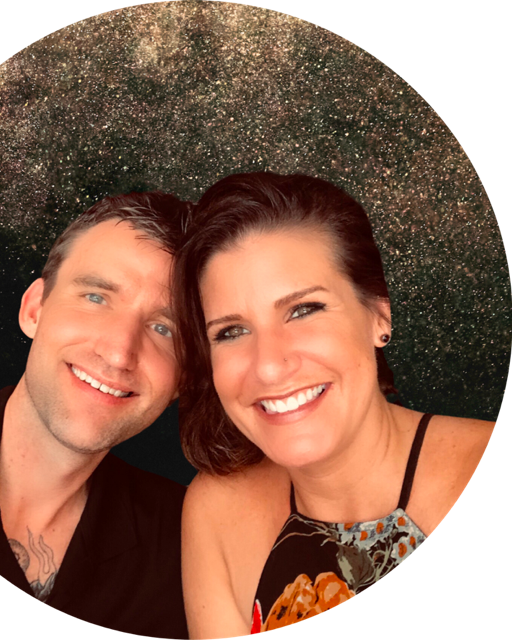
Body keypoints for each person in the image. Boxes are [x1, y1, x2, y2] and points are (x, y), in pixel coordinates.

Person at [172, 172, 495, 637]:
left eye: (304, 310)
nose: (269, 367)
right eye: (231, 331)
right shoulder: (217, 510)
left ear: (378, 314)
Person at [0, 191, 191, 639]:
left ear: (186, 378)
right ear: (34, 309)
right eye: (96, 297)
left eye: (164, 328)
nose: (119, 352)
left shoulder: (187, 546)